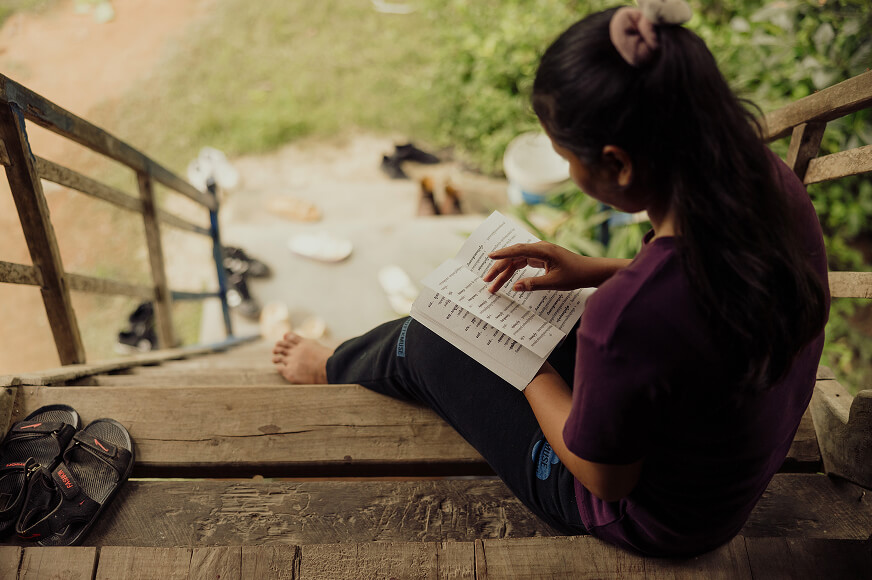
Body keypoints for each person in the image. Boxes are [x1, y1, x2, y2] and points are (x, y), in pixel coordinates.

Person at [272, 0, 829, 557]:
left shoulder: (625, 317)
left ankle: (331, 366)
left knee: (426, 344)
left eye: (566, 156)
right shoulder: (768, 184)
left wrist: (527, 367)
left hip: (660, 518)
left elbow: (607, 481)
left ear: (618, 164)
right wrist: (598, 269)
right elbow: (714, 283)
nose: (567, 171)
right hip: (740, 443)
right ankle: (342, 362)